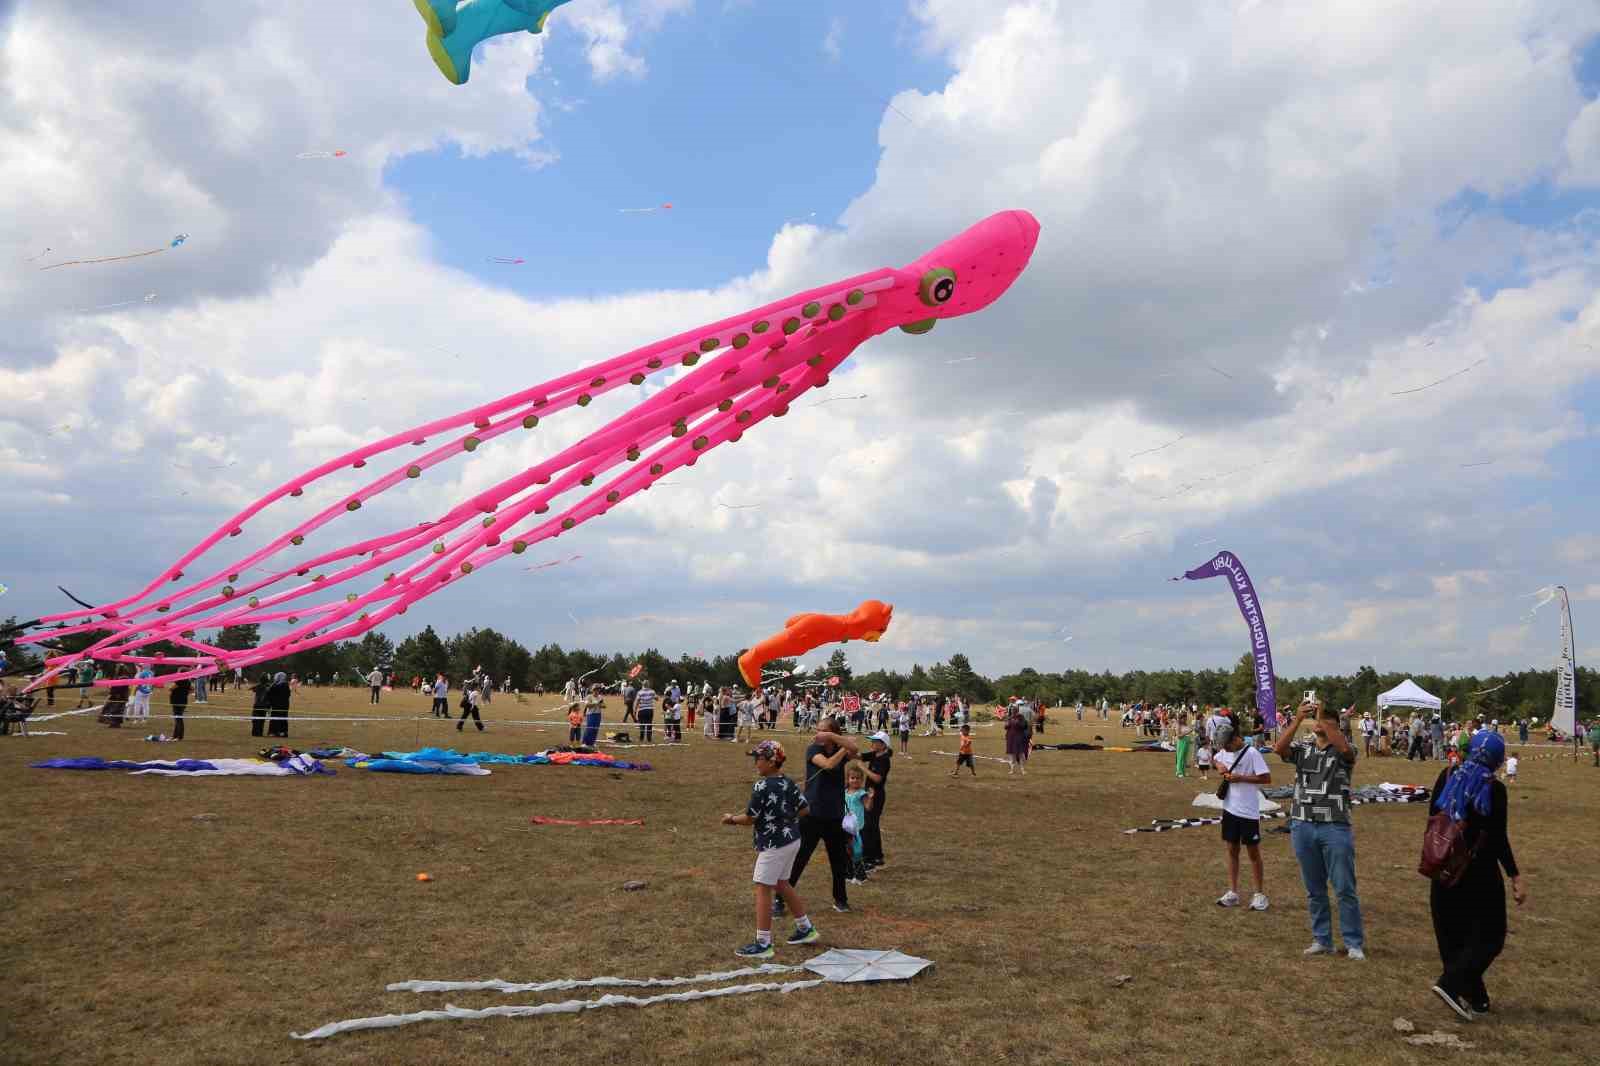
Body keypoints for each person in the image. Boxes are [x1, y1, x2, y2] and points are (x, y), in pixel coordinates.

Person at [1427, 732, 1525, 1019]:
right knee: (1490, 936)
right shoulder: (1493, 789)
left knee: (1454, 935)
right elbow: (1497, 839)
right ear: (1496, 759)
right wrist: (1515, 876)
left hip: (1442, 867)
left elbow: (1433, 820)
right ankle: (1450, 984)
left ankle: (1477, 999)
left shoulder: (1446, 776)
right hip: (1478, 873)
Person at [1274, 700, 1365, 960]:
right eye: (1319, 722)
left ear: (1336, 727)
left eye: (1326, 722)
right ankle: (1322, 939)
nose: (1321, 725)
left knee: (1344, 888)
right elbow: (1278, 748)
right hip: (1303, 824)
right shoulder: (1304, 749)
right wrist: (1297, 720)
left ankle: (1353, 942)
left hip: (1335, 826)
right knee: (1314, 889)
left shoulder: (1345, 751)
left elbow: (1345, 747)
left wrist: (1323, 715)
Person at [720, 739, 819, 958]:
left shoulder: (761, 786)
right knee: (782, 884)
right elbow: (805, 809)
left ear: (772, 762)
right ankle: (805, 928)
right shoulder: (788, 782)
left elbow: (750, 818)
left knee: (763, 887)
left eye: (759, 759)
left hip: (774, 846)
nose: (756, 762)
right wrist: (786, 818)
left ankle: (763, 943)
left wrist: (731, 820)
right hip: (792, 840)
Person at [782, 716, 858, 915]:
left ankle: (840, 900)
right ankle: (780, 901)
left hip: (834, 815)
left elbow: (855, 749)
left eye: (822, 730)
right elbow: (829, 765)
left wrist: (836, 739)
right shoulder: (813, 750)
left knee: (838, 860)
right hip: (812, 814)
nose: (818, 733)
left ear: (832, 733)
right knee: (800, 858)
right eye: (818, 730)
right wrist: (841, 745)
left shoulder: (837, 748)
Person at [1213, 723, 1270, 911]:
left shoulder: (1252, 753)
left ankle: (1259, 894)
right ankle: (1233, 892)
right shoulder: (1224, 752)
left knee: (1253, 853)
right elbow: (1216, 758)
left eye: (1227, 745)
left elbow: (1266, 778)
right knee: (1232, 851)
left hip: (1248, 812)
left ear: (1235, 738)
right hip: (1229, 809)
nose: (1225, 750)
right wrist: (1219, 765)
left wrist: (1241, 778)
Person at [860, 731, 892, 869]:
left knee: (868, 827)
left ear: (883, 745)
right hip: (870, 794)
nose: (872, 743)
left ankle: (869, 859)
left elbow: (878, 778)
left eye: (875, 741)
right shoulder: (875, 754)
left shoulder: (884, 759)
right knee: (871, 826)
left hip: (876, 796)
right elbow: (859, 755)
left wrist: (862, 768)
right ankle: (877, 856)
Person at [843, 764, 870, 883]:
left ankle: (861, 876)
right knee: (847, 850)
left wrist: (871, 798)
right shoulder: (844, 792)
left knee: (856, 851)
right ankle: (849, 874)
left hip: (857, 827)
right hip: (846, 826)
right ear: (848, 779)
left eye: (858, 778)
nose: (855, 780)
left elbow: (868, 807)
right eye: (852, 778)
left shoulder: (861, 793)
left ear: (862, 780)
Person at [1004, 705, 1030, 775]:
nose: (1013, 711)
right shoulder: (1010, 717)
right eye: (1012, 710)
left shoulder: (1021, 717)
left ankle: (1023, 770)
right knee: (1012, 755)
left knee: (1020, 754)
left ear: (1017, 710)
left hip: (1018, 738)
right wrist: (1007, 723)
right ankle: (1012, 770)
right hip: (1011, 738)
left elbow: (1024, 726)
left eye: (1014, 710)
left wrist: (1018, 722)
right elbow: (1006, 727)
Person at [266, 671, 291, 738]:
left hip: (277, 705)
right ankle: (283, 732)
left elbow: (269, 692)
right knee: (283, 718)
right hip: (285, 705)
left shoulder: (276, 685)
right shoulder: (286, 685)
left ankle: (274, 732)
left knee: (275, 718)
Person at [168, 675, 192, 742]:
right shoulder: (188, 681)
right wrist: (185, 693)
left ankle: (179, 737)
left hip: (177, 701)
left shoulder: (179, 680)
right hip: (183, 701)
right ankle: (174, 735)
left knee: (178, 719)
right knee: (177, 718)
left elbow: (171, 688)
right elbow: (192, 689)